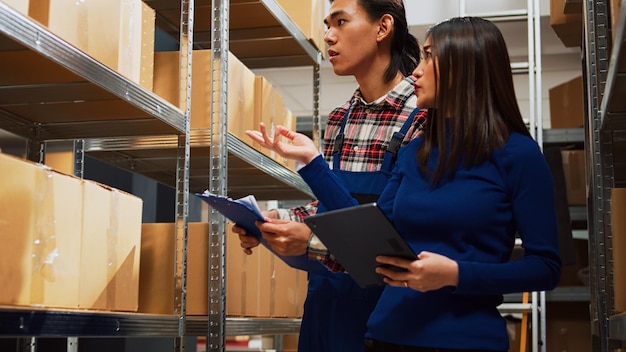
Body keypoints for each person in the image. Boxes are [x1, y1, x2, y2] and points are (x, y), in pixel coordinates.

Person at [251, 16, 562, 352]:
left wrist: (456, 274)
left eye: (429, 57)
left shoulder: (519, 155)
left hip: (464, 340)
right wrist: (312, 163)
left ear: (465, 64)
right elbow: (369, 239)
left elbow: (545, 268)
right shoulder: (415, 152)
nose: (416, 70)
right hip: (385, 336)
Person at [233, 0, 426, 351]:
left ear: (383, 28)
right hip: (325, 307)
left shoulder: (421, 117)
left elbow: (401, 234)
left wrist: (308, 242)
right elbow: (331, 205)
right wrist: (275, 222)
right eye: (327, 24)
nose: (328, 36)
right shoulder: (339, 118)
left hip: (383, 314)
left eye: (340, 22)